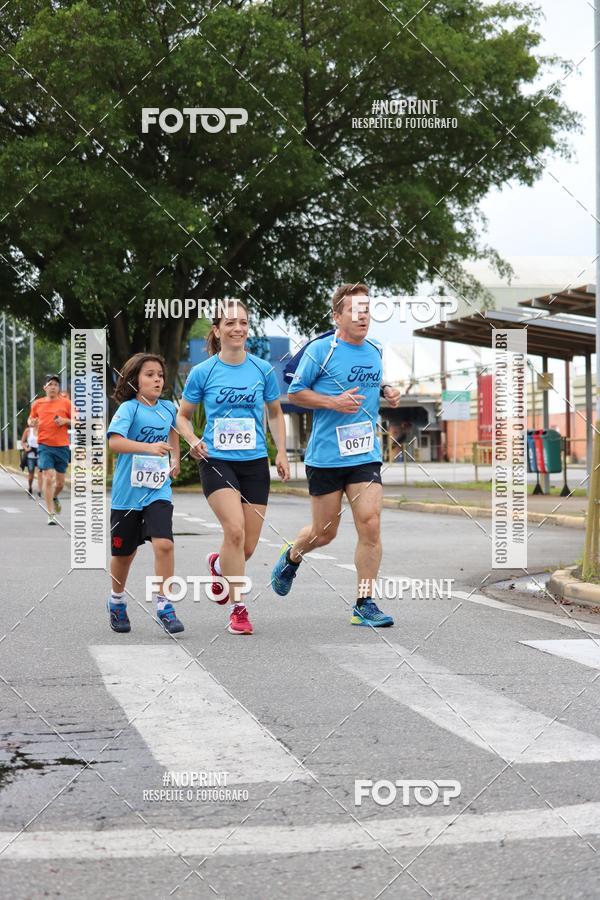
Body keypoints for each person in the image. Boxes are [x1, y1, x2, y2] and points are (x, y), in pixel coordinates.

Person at [271, 283, 401, 627]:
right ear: (337, 316)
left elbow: (374, 380)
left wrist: (387, 389)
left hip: (365, 455)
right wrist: (333, 402)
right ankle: (293, 555)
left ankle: (364, 603)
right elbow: (296, 393)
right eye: (355, 311)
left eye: (367, 310)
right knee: (324, 533)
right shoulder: (320, 350)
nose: (363, 317)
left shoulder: (374, 349)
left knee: (370, 523)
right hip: (326, 456)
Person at [177, 299, 290, 636]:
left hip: (255, 461)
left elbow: (274, 412)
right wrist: (192, 440)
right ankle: (239, 610)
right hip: (216, 460)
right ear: (217, 330)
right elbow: (182, 416)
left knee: (248, 546)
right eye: (230, 323)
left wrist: (281, 451)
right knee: (235, 531)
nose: (237, 328)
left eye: (243, 322)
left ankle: (217, 564)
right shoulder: (203, 372)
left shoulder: (262, 370)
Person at [106, 353, 183, 635]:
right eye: (149, 374)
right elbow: (115, 442)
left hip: (157, 489)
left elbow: (173, 432)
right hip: (127, 495)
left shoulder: (167, 409)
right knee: (124, 555)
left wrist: (175, 459)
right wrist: (148, 448)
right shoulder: (129, 409)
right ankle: (116, 601)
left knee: (164, 544)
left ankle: (165, 604)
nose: (157, 380)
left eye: (160, 375)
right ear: (135, 380)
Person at [28, 375, 73, 525]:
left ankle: (54, 497)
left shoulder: (66, 403)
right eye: (50, 384)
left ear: (59, 388)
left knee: (60, 483)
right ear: (45, 388)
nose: (53, 386)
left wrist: (65, 421)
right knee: (48, 477)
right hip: (44, 445)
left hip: (62, 446)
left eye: (56, 384)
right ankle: (50, 513)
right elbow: (31, 419)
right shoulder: (37, 404)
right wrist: (32, 422)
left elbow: (78, 422)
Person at [21, 423, 43, 498]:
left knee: (40, 473)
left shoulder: (42, 430)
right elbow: (22, 442)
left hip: (40, 454)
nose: (36, 422)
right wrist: (26, 448)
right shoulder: (28, 430)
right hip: (30, 455)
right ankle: (30, 487)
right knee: (31, 474)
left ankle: (39, 491)